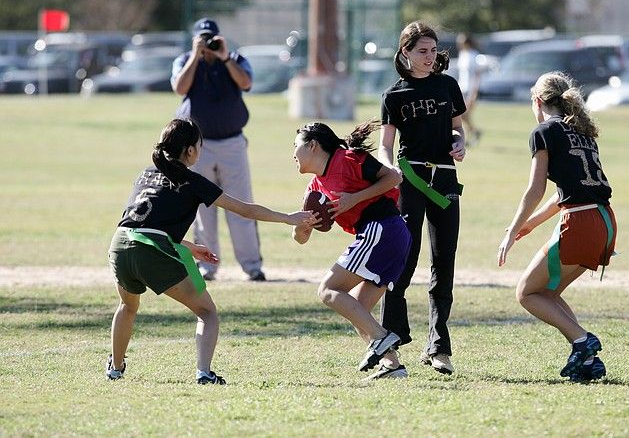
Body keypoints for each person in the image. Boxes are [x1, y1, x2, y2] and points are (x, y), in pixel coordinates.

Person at [106, 118, 313, 384]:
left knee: (127, 306)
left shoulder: (145, 173)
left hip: (120, 244)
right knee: (207, 313)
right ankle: (204, 373)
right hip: (152, 249)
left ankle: (115, 368)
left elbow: (144, 224)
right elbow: (246, 210)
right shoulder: (193, 181)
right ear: (190, 151)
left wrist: (189, 247)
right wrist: (288, 218)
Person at [497, 71, 617, 382]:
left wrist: (511, 231)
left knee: (527, 293)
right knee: (548, 293)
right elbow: (566, 190)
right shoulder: (582, 130)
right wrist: (532, 224)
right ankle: (587, 361)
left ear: (537, 101)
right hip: (604, 220)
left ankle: (583, 341)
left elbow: (535, 190)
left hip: (580, 221)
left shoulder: (544, 131)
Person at [377, 21, 467, 376]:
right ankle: (392, 340)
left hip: (444, 177)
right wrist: (390, 171)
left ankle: (439, 347)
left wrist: (460, 142)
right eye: (421, 51)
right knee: (403, 260)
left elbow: (458, 128)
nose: (430, 57)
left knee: (444, 263)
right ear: (405, 54)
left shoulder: (448, 85)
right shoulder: (393, 95)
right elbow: (386, 145)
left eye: (433, 51)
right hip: (410, 178)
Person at [292, 121, 412, 380]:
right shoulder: (315, 188)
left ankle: (382, 337)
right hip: (386, 235)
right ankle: (393, 366)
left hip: (383, 228)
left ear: (312, 145)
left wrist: (354, 199)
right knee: (357, 309)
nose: (293, 154)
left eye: (296, 146)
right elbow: (300, 238)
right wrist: (304, 227)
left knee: (327, 290)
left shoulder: (347, 159)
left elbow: (394, 177)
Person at [171, 17, 265, 282]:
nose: (208, 44)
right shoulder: (185, 61)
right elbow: (179, 87)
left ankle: (252, 266)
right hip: (195, 146)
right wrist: (194, 54)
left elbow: (246, 83)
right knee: (203, 208)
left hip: (232, 143)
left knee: (242, 206)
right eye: (203, 39)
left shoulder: (234, 58)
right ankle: (207, 267)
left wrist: (224, 57)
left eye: (211, 38)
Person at [456, 32, 483, 146]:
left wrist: (474, 93)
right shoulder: (462, 54)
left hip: (470, 89)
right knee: (462, 115)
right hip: (461, 88)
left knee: (464, 114)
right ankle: (474, 132)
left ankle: (471, 135)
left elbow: (477, 76)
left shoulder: (474, 55)